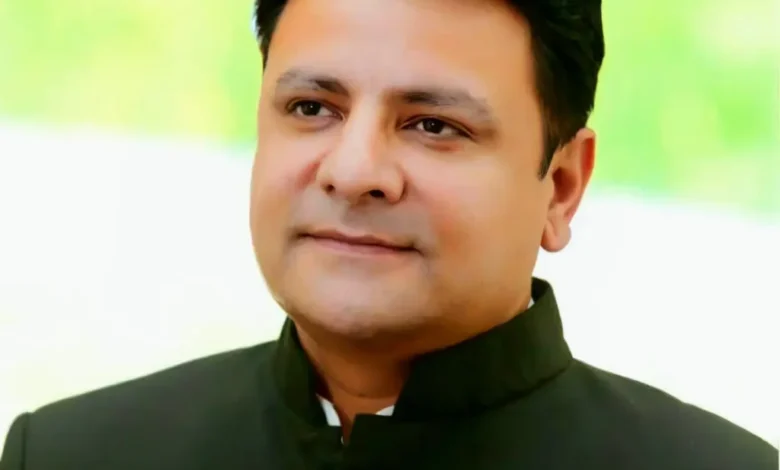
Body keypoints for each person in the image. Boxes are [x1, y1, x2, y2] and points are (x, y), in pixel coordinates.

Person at [2, 0, 777, 468]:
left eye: (432, 124)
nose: (353, 171)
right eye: (312, 109)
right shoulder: (73, 455)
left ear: (563, 186)